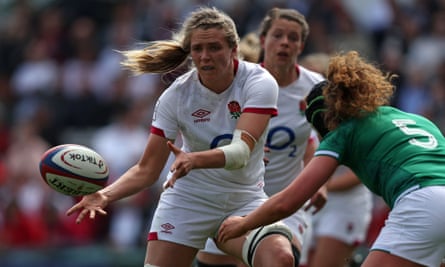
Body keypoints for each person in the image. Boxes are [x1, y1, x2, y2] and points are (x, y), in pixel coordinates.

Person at [66, 6, 297, 267]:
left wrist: (194, 159)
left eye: (214, 47)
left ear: (234, 50)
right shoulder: (176, 96)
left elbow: (241, 152)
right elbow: (147, 169)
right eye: (197, 49)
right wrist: (105, 195)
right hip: (188, 200)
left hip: (243, 199)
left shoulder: (258, 82)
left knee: (281, 258)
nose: (205, 56)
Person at [218, 50, 445, 267]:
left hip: (421, 202)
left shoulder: (341, 133)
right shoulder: (414, 119)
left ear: (325, 122)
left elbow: (289, 201)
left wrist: (244, 223)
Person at [196, 8, 327, 267]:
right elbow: (207, 131)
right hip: (235, 197)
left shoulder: (314, 87)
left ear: (301, 45)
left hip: (286, 202)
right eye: (278, 35)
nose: (285, 42)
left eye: (293, 37)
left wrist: (319, 182)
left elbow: (313, 140)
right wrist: (240, 150)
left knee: (278, 258)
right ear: (263, 39)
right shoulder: (238, 82)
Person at [300, 52, 373, 267]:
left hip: (345, 204)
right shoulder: (305, 116)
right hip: (311, 202)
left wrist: (317, 185)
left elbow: (359, 174)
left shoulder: (348, 119)